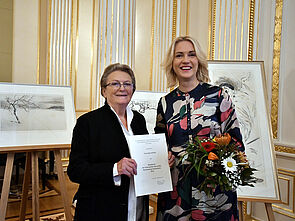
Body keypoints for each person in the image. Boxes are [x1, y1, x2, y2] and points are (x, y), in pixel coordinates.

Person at [154, 36, 244, 220]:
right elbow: (160, 146)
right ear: (172, 63)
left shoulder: (218, 95)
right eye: (179, 55)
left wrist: (218, 162)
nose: (185, 60)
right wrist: (163, 157)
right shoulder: (165, 103)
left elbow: (236, 143)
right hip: (176, 193)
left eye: (191, 55)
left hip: (214, 191)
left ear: (198, 61)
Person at [67, 63, 149, 221]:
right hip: (101, 209)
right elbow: (75, 170)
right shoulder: (88, 122)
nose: (122, 88)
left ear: (133, 89)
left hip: (136, 205)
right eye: (115, 84)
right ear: (104, 90)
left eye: (127, 84)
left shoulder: (139, 120)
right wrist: (115, 168)